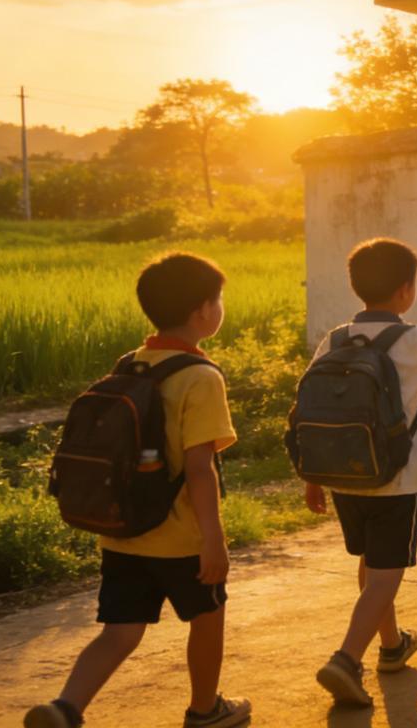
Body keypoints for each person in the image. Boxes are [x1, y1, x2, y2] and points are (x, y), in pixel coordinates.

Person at [25, 253, 249, 728]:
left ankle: (66, 707)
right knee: (207, 621)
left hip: (123, 530)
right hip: (181, 538)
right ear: (203, 311)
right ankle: (205, 709)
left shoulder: (131, 363)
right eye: (219, 299)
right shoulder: (200, 376)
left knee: (120, 631)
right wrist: (214, 539)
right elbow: (199, 467)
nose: (220, 307)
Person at [305, 235, 417, 707]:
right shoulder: (415, 341)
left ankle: (392, 645)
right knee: (386, 574)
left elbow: (315, 408)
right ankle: (345, 660)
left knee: (371, 564)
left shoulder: (336, 338)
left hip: (343, 475)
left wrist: (312, 475)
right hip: (396, 479)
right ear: (406, 290)